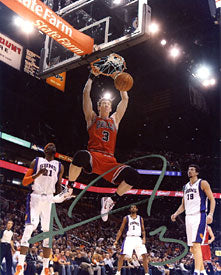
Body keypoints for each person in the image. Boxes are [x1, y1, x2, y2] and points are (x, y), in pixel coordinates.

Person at [68, 72, 140, 221]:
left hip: (109, 162)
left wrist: (120, 82)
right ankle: (69, 188)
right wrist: (91, 77)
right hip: (93, 156)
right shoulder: (92, 117)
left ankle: (110, 201)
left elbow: (125, 99)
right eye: (103, 103)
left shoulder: (115, 119)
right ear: (99, 106)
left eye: (108, 103)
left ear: (110, 107)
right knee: (80, 155)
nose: (106, 104)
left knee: (134, 175)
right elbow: (85, 94)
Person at [15, 143, 72, 275]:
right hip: (35, 197)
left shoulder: (60, 166)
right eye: (49, 145)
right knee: (29, 228)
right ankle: (19, 266)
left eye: (53, 145)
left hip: (49, 199)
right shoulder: (36, 161)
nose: (52, 145)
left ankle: (46, 268)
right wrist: (38, 174)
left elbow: (58, 185)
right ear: (45, 150)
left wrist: (63, 196)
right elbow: (25, 182)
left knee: (47, 232)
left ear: (55, 151)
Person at [171, 164, 216, 275]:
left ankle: (196, 272)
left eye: (192, 170)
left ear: (197, 172)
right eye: (188, 170)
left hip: (199, 216)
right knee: (192, 248)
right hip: (188, 216)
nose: (189, 171)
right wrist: (176, 213)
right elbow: (183, 205)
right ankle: (203, 271)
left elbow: (212, 199)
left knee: (196, 244)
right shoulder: (185, 187)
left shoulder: (202, 183)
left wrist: (210, 214)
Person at [113, 205, 149, 275]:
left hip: (138, 238)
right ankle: (118, 272)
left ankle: (147, 273)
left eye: (134, 207)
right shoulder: (126, 218)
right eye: (131, 207)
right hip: (129, 238)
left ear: (137, 209)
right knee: (122, 255)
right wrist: (116, 240)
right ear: (130, 210)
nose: (133, 208)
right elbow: (121, 230)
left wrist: (144, 238)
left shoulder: (140, 218)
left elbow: (143, 230)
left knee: (145, 255)